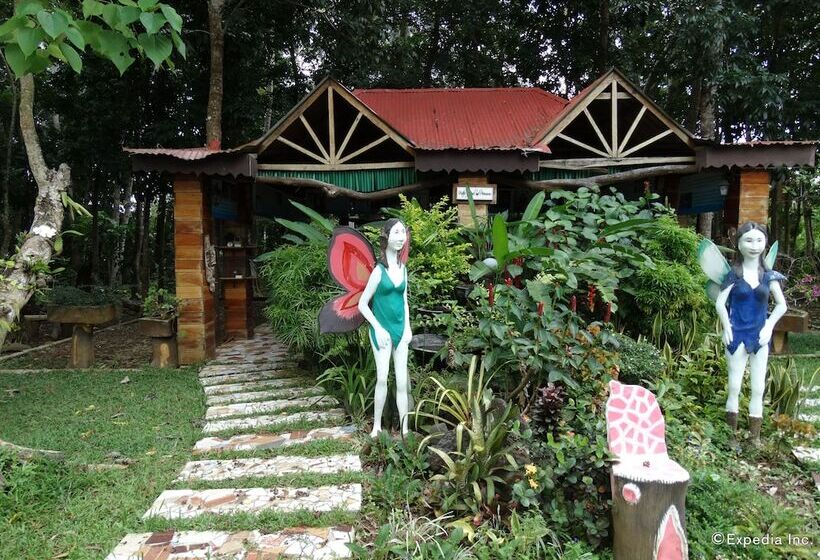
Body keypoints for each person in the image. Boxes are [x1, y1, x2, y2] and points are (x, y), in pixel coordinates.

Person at [714, 222, 787, 448]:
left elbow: (781, 305)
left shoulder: (769, 276)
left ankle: (755, 437)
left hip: (760, 337)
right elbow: (720, 303)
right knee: (734, 386)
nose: (754, 245)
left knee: (758, 388)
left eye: (759, 240)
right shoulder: (734, 275)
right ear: (738, 244)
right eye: (748, 240)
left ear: (765, 243)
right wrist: (726, 327)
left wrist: (769, 326)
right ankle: (731, 436)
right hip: (736, 336)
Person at [358, 219, 412, 437]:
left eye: (403, 232)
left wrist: (407, 329)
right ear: (386, 237)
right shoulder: (379, 271)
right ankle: (376, 427)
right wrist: (378, 328)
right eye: (396, 232)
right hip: (381, 331)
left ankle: (405, 429)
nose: (401, 237)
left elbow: (405, 301)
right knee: (382, 379)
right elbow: (363, 304)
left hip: (400, 330)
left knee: (402, 382)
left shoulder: (403, 269)